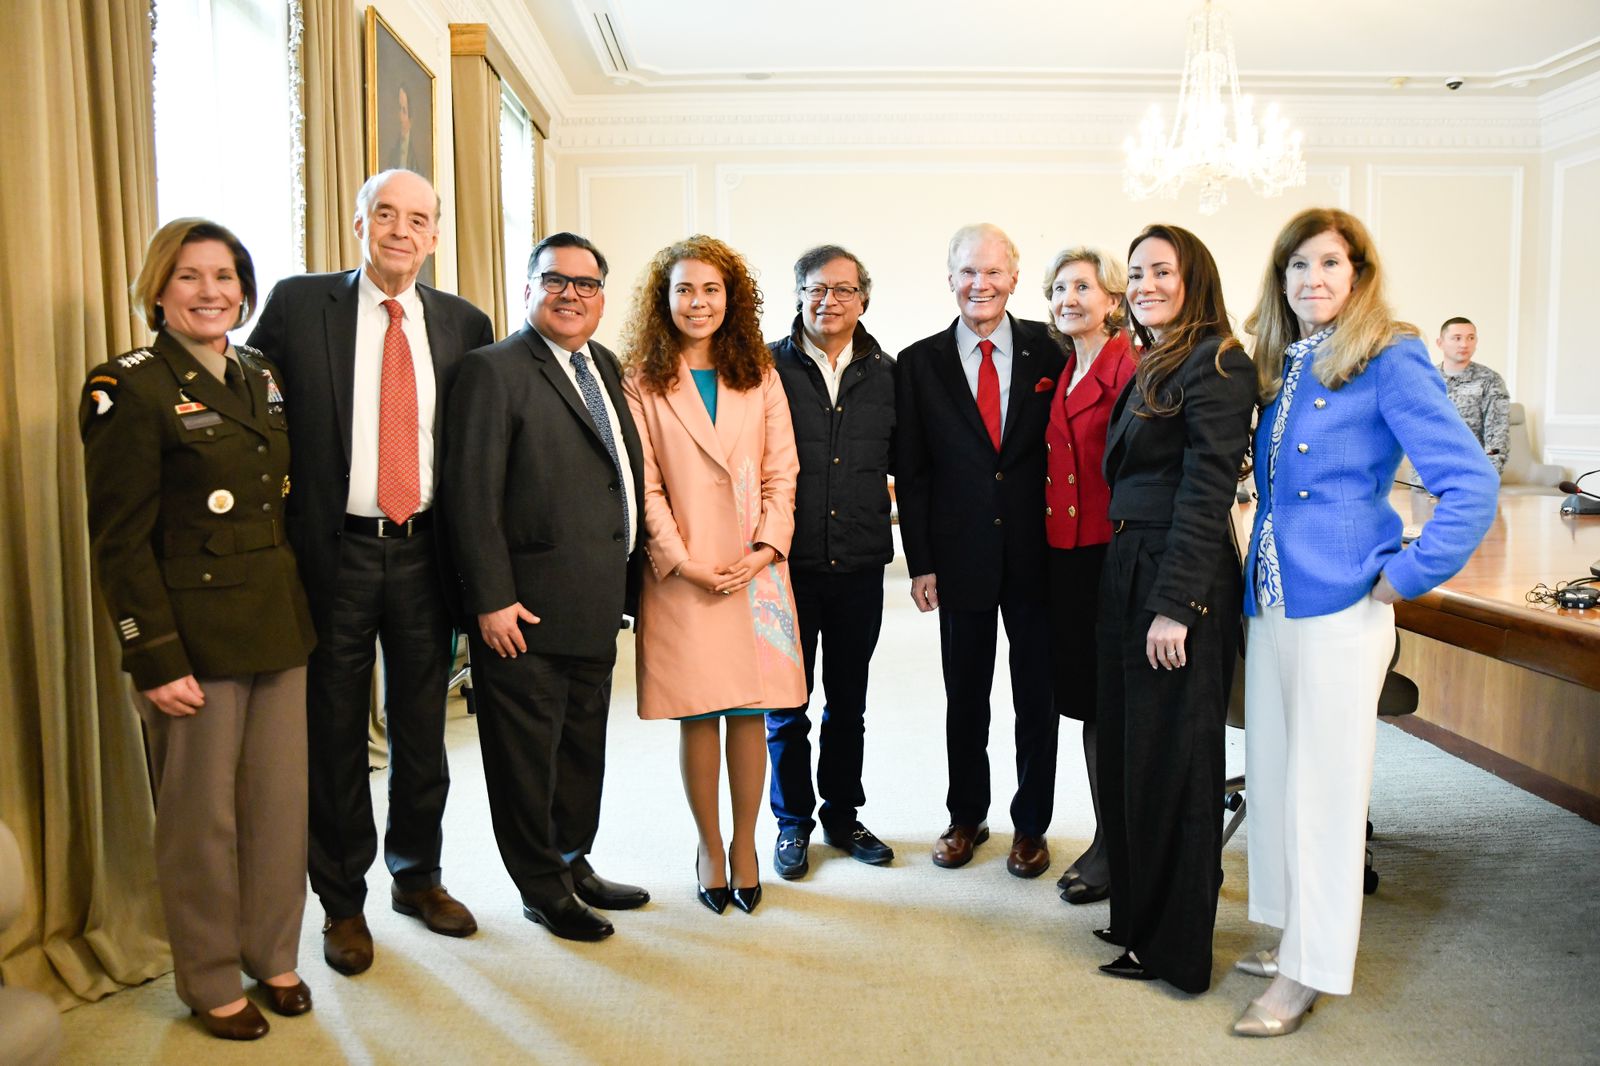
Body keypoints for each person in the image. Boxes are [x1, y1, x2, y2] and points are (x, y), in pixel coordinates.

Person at [1234, 209, 1498, 1036]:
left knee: (1324, 789)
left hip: (1343, 603)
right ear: (1280, 280)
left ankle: (1312, 970)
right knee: (1276, 772)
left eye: (1330, 264)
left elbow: (1470, 484)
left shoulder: (1392, 357)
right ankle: (1285, 934)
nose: (1312, 279)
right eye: (1297, 266)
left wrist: (1408, 574)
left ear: (1359, 275)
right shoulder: (1286, 360)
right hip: (1274, 595)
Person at [247, 170, 493, 975]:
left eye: (416, 218)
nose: (400, 229)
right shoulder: (296, 304)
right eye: (384, 214)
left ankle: (417, 877)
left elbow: (475, 445)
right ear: (358, 223)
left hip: (426, 550)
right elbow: (254, 415)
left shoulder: (464, 322)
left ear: (435, 233)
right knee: (334, 733)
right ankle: (342, 903)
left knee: (424, 730)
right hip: (334, 552)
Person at [81, 218, 317, 1039]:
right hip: (193, 640)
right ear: (158, 289)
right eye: (190, 276)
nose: (211, 291)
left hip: (276, 626)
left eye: (225, 275)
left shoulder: (260, 373)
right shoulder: (128, 386)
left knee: (279, 805)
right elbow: (118, 542)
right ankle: (211, 975)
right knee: (201, 820)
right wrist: (153, 655)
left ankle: (272, 951)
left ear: (244, 290)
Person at [444, 233, 649, 941]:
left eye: (587, 283)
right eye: (554, 281)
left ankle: (573, 861)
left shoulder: (602, 363)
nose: (571, 294)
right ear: (527, 289)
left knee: (579, 749)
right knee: (526, 759)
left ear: (601, 296)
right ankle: (542, 888)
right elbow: (471, 497)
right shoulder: (492, 371)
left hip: (595, 603)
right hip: (522, 610)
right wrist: (490, 599)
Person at [622, 235, 806, 916]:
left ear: (732, 299)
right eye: (684, 290)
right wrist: (683, 562)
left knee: (751, 711)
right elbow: (642, 485)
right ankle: (709, 846)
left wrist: (765, 548)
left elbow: (783, 470)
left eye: (711, 290)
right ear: (663, 299)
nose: (697, 303)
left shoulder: (759, 372)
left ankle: (748, 843)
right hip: (684, 572)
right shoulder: (640, 378)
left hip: (753, 568)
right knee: (698, 714)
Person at [1094, 223, 1255, 992]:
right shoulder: (1158, 358)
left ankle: (1179, 950)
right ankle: (1139, 920)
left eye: (1163, 270)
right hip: (1132, 561)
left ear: (1195, 278)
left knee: (1178, 767)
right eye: (1136, 273)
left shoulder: (1218, 360)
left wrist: (1177, 606)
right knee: (1134, 755)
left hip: (1175, 573)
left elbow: (1206, 488)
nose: (1147, 284)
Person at [896, 223, 1065, 877]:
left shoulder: (1051, 351)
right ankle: (966, 816)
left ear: (1015, 280)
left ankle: (1031, 826)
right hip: (958, 556)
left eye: (993, 272)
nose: (980, 284)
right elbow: (912, 474)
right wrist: (921, 562)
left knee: (1037, 698)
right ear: (950, 280)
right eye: (968, 271)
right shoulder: (919, 364)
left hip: (1037, 555)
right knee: (964, 695)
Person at [766, 245, 897, 879]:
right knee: (786, 703)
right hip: (784, 565)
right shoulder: (765, 368)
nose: (830, 301)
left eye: (844, 290)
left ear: (863, 300)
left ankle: (843, 816)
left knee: (849, 702)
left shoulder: (887, 373)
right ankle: (793, 823)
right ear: (798, 294)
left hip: (860, 564)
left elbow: (912, 471)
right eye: (818, 289)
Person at [1040, 247, 1138, 906]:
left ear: (1111, 298)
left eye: (1083, 286)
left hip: (1114, 556)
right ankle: (1109, 837)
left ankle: (1120, 847)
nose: (1069, 297)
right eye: (1058, 288)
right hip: (1067, 558)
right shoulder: (1064, 368)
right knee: (1090, 706)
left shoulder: (1130, 367)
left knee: (1116, 711)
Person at [1434, 316, 1509, 475]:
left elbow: (1497, 436)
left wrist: (1486, 477)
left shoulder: (1490, 380)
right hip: (1428, 475)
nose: (1464, 344)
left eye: (1471, 338)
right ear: (1440, 343)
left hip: (1470, 474)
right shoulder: (1426, 379)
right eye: (1457, 338)